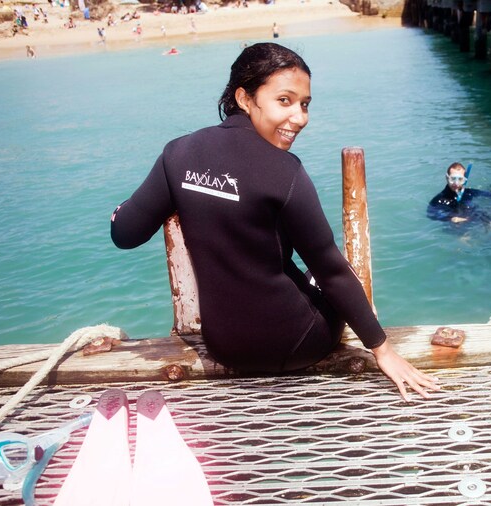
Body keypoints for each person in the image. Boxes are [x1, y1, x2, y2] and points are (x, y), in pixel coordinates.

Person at [111, 43, 439, 402]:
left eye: (305, 104)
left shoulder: (178, 153)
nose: (299, 117)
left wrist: (122, 210)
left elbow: (125, 233)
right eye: (285, 100)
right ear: (244, 97)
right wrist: (383, 351)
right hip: (297, 344)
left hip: (225, 346)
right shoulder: (285, 171)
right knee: (317, 275)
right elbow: (332, 271)